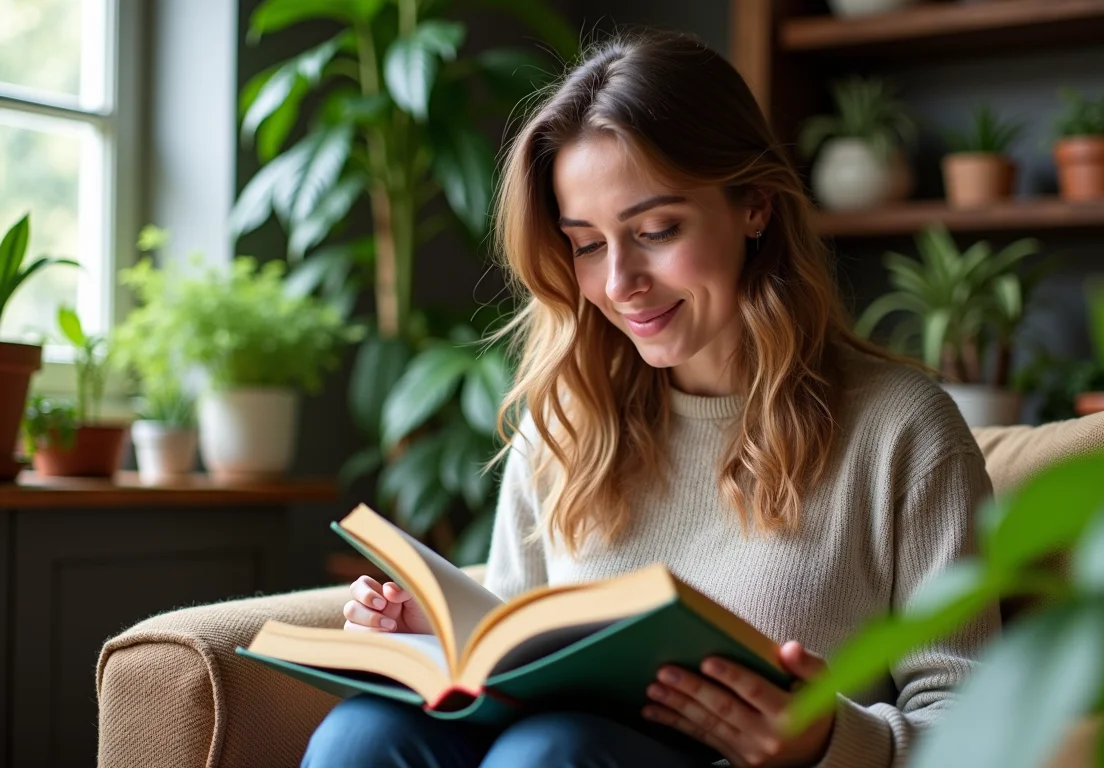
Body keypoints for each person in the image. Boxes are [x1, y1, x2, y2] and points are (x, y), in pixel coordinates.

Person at [303, 27, 999, 768]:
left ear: (755, 206)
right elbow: (508, 645)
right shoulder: (567, 419)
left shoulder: (901, 429)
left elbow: (982, 724)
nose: (618, 283)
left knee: (553, 752)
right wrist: (432, 639)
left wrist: (829, 738)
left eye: (657, 230)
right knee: (361, 735)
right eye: (587, 243)